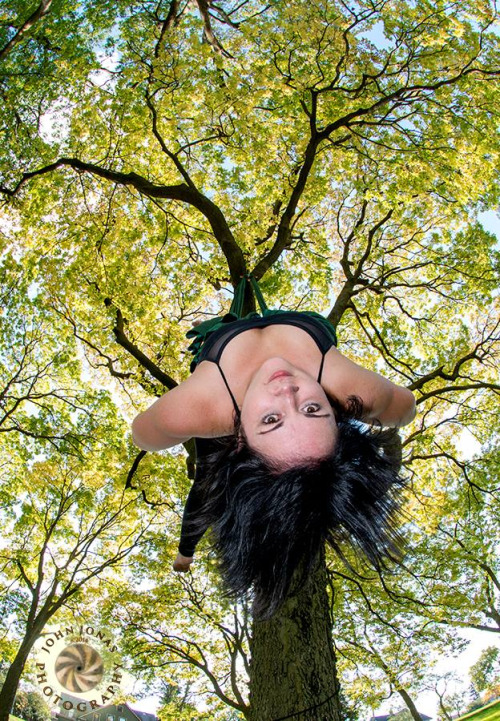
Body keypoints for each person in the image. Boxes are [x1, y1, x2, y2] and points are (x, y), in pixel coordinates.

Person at [132, 276, 416, 617]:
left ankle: (186, 551)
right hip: (304, 327)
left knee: (206, 484)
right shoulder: (354, 390)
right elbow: (406, 408)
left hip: (221, 351)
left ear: (239, 440)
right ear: (337, 416)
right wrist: (376, 414)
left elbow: (141, 434)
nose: (288, 393)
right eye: (313, 409)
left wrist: (200, 423)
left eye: (271, 420)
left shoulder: (198, 408)